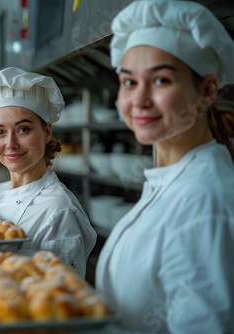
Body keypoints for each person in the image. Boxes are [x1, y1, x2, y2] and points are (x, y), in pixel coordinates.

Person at [95, 1, 234, 333]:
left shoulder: (204, 201)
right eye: (129, 82)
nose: (139, 99)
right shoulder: (172, 179)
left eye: (160, 80)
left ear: (208, 90)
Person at [0, 67, 97, 278]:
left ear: (47, 132)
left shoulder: (59, 210)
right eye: (0, 132)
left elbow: (61, 299)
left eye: (23, 129)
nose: (10, 144)